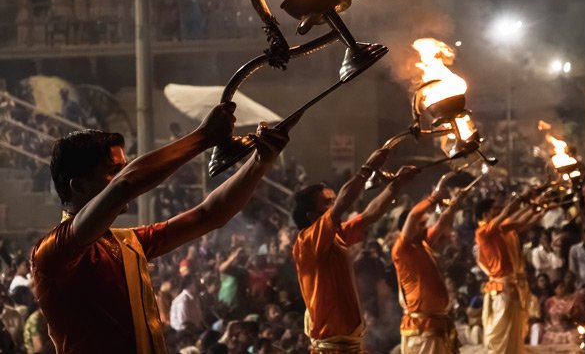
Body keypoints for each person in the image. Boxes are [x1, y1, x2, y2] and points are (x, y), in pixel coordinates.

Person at [31, 103, 289, 353]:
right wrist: (202, 137)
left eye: (124, 169)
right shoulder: (53, 252)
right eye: (113, 171)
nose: (123, 175)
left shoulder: (127, 243)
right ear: (79, 186)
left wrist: (260, 161)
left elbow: (209, 215)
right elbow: (125, 186)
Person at [292, 148, 416, 353]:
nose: (333, 206)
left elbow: (370, 214)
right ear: (312, 216)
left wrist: (397, 185)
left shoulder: (336, 235)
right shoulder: (307, 242)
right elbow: (343, 203)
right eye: (327, 202)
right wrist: (367, 169)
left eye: (333, 200)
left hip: (350, 345)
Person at [392, 179, 466, 354]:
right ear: (407, 229)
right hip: (422, 326)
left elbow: (442, 222)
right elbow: (412, 216)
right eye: (422, 225)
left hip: (436, 323)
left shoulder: (422, 243)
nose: (426, 227)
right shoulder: (401, 249)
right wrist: (433, 198)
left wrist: (456, 202)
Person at [475, 193, 542, 354]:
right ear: (485, 214)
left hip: (511, 286)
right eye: (495, 209)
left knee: (514, 330)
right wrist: (521, 199)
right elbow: (507, 214)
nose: (499, 211)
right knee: (502, 331)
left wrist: (538, 207)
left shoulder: (499, 229)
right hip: (501, 288)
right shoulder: (483, 232)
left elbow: (521, 220)